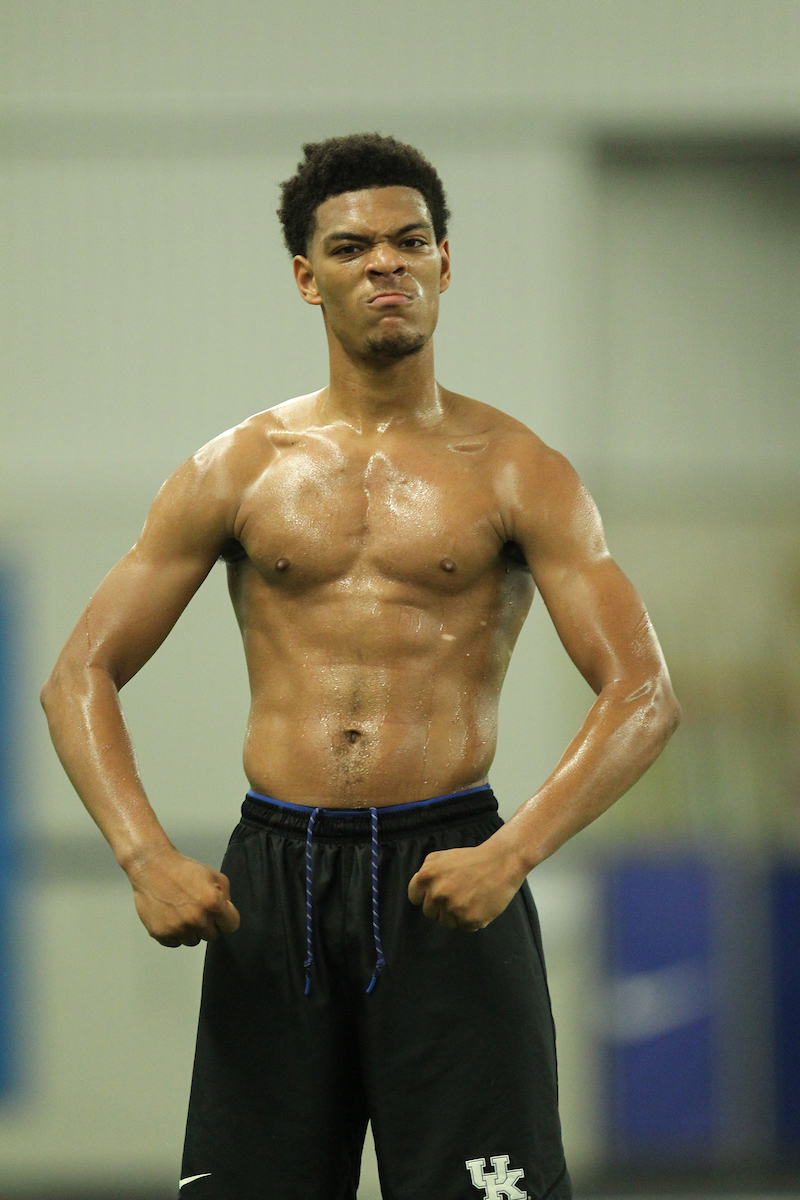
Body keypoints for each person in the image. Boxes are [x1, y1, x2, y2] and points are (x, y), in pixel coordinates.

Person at [41, 133, 680, 1200]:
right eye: (351, 248)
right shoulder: (236, 468)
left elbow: (644, 693)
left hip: (450, 871)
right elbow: (78, 675)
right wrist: (143, 855)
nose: (384, 264)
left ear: (442, 263)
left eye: (408, 241)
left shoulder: (520, 470)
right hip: (274, 879)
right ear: (307, 277)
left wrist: (511, 853)